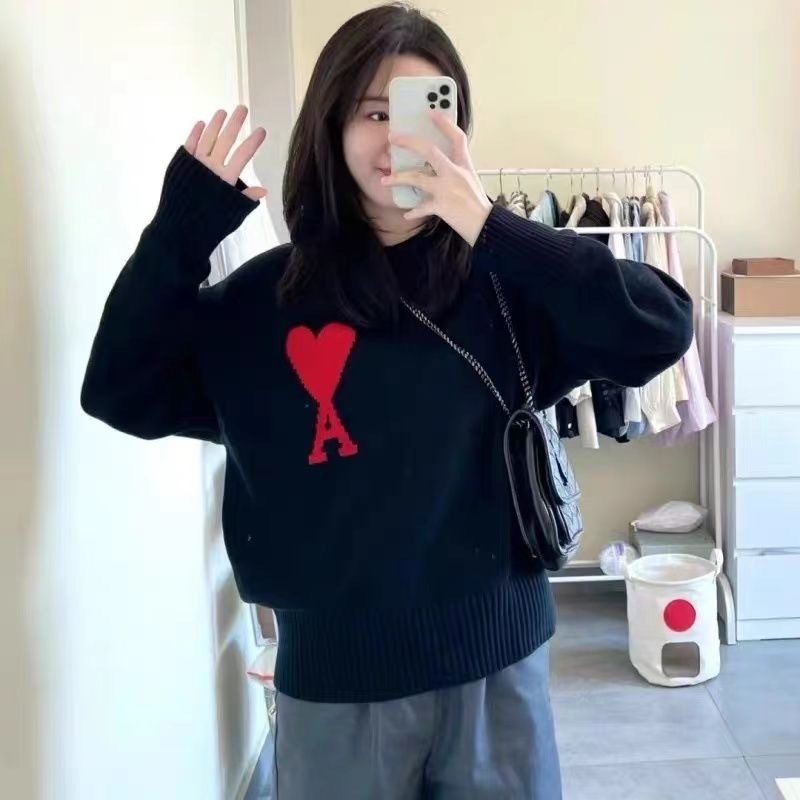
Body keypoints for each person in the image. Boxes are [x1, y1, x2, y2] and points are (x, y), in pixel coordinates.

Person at [80, 3, 693, 798]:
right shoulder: (264, 304)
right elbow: (120, 390)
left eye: (426, 110)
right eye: (374, 112)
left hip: (497, 672)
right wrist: (178, 235)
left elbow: (660, 327)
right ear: (331, 126)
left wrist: (484, 221)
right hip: (336, 686)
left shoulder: (506, 285)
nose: (397, 136)